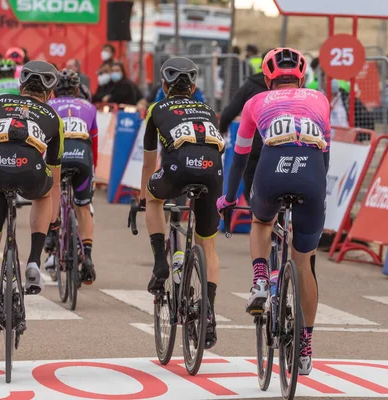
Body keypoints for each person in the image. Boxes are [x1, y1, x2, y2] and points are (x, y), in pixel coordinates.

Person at [216, 48, 330, 376]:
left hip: (271, 170)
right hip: (311, 175)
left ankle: (260, 280)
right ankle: (305, 346)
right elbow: (325, 155)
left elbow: (238, 157)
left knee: (261, 220)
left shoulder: (255, 102)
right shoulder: (320, 99)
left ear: (268, 78)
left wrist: (227, 199)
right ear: (302, 77)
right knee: (304, 261)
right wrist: (317, 195)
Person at [0, 61, 63, 360]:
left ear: (21, 86)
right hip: (30, 173)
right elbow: (56, 177)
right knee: (45, 191)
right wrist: (54, 221)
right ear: (49, 94)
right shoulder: (52, 116)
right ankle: (34, 261)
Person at [139, 57, 224, 350]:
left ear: (164, 87)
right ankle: (208, 312)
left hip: (178, 169)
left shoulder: (156, 108)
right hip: (213, 173)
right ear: (194, 87)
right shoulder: (210, 110)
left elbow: (150, 161)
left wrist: (141, 196)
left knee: (153, 198)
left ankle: (161, 264)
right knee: (207, 245)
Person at [44, 69, 98, 284]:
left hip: (58, 156)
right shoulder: (89, 107)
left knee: (50, 194)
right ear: (78, 89)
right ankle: (88, 256)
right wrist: (92, 169)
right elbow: (94, 143)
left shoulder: (48, 106)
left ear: (54, 90)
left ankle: (50, 235)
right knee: (83, 207)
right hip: (82, 157)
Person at [218, 50, 271, 204]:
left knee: (252, 194)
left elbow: (230, 110)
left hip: (254, 147)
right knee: (277, 196)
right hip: (283, 147)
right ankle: (277, 224)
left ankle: (259, 222)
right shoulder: (293, 88)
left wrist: (222, 129)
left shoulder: (251, 84)